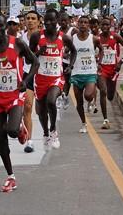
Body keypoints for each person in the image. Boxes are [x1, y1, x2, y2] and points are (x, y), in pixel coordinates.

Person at [0, 13, 38, 192]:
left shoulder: (17, 44)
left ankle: (19, 129)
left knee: (11, 131)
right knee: (1, 139)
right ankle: (11, 176)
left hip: (14, 96)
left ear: (5, 27)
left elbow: (34, 62)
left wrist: (26, 81)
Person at [29, 9, 76, 149]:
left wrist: (70, 66)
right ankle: (45, 133)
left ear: (57, 21)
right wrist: (38, 52)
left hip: (56, 78)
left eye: (52, 21)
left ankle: (53, 130)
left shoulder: (64, 38)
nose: (48, 23)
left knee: (51, 101)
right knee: (41, 110)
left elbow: (74, 51)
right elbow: (28, 57)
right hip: (40, 78)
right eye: (46, 21)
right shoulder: (37, 36)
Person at [70, 15, 103, 133]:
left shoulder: (93, 38)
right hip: (76, 73)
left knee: (87, 95)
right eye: (81, 22)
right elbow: (67, 51)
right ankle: (83, 123)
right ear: (78, 24)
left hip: (90, 71)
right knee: (79, 102)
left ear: (88, 25)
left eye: (85, 22)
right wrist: (66, 59)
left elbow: (101, 49)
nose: (83, 24)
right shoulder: (72, 38)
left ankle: (92, 100)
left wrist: (99, 61)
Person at [97, 17, 123, 129]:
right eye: (103, 25)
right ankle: (105, 120)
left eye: (107, 25)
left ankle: (109, 100)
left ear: (110, 25)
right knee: (103, 91)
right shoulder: (97, 38)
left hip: (113, 69)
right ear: (100, 26)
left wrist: (120, 62)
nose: (105, 27)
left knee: (110, 96)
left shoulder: (115, 36)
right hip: (101, 69)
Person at [20, 10, 41, 153]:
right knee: (27, 107)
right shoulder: (19, 39)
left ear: (39, 21)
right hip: (26, 74)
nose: (30, 21)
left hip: (43, 75)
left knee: (41, 110)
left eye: (33, 18)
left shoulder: (44, 37)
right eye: (28, 18)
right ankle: (30, 140)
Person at [58, 13, 78, 109]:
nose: (63, 22)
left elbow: (80, 39)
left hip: (71, 59)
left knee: (67, 80)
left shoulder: (73, 30)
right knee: (62, 79)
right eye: (61, 21)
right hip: (61, 59)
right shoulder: (58, 31)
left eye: (65, 20)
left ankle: (65, 96)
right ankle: (62, 96)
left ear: (69, 21)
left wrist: (69, 50)